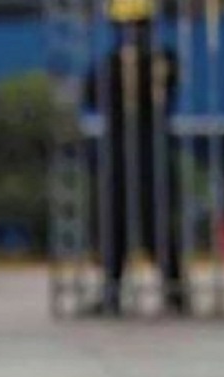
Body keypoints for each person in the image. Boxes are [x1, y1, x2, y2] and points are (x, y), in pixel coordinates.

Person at [83, 1, 186, 316]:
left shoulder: (160, 62)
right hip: (126, 153)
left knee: (156, 225)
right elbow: (91, 96)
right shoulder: (115, 63)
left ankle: (173, 290)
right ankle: (115, 291)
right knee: (117, 225)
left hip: (145, 151)